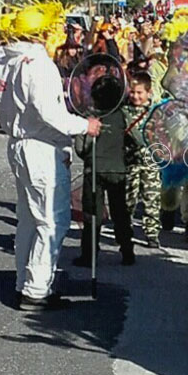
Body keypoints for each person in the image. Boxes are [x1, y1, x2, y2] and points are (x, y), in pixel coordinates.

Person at [0, 6, 102, 311]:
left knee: (30, 218)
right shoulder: (38, 64)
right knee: (52, 220)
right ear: (41, 33)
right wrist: (83, 125)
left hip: (21, 143)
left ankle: (25, 281)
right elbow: (49, 112)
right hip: (40, 146)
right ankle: (37, 289)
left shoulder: (8, 62)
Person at [75, 75, 135, 266]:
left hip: (94, 170)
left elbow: (80, 147)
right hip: (118, 169)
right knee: (120, 212)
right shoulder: (124, 116)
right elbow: (137, 140)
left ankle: (89, 254)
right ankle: (127, 249)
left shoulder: (90, 117)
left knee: (92, 214)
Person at [122, 73, 162, 248]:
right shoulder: (124, 111)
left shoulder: (156, 112)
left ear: (148, 92)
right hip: (130, 161)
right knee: (128, 199)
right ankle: (125, 229)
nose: (135, 96)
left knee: (152, 197)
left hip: (151, 162)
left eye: (139, 92)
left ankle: (152, 232)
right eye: (132, 92)